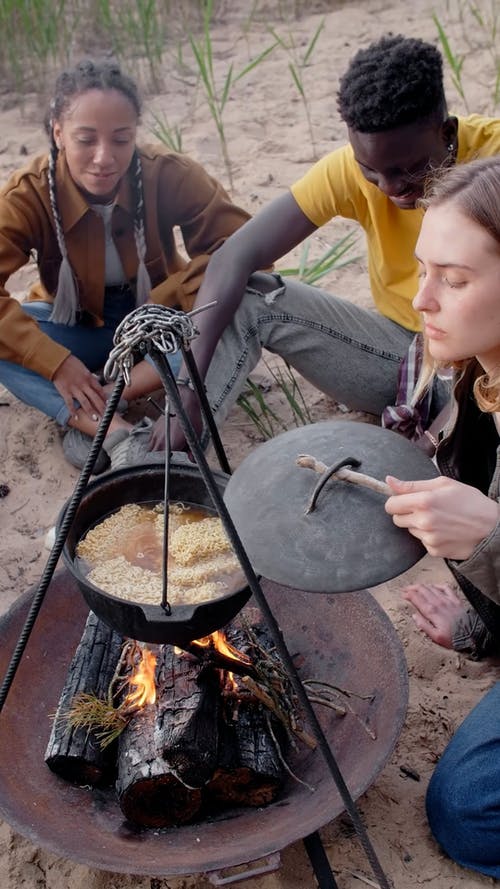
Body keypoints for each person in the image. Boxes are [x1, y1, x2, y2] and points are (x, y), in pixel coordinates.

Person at [151, 33, 500, 455]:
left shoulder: (491, 170)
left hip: (487, 368)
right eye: (371, 171)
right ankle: (166, 461)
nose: (390, 188)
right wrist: (188, 390)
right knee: (253, 298)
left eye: (408, 170)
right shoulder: (357, 170)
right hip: (407, 355)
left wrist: (434, 435)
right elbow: (235, 256)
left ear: (445, 132)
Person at [0, 58, 250, 473]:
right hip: (75, 325)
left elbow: (241, 248)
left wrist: (164, 302)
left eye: (121, 139)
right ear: (58, 133)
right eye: (85, 139)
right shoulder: (27, 194)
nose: (104, 157)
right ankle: (116, 433)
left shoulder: (166, 174)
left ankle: (107, 400)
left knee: (233, 308)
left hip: (156, 325)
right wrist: (56, 362)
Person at [383, 156, 500, 878]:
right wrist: (479, 627)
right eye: (423, 269)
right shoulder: (482, 381)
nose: (421, 298)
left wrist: (491, 539)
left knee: (468, 809)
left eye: (453, 280)